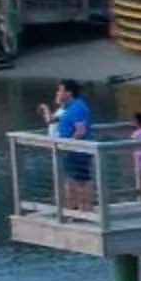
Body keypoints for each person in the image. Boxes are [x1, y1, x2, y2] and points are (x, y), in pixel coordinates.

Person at [38, 79, 95, 212]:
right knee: (70, 180)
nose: (58, 92)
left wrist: (68, 145)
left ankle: (86, 209)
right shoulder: (67, 107)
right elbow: (52, 120)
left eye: (60, 90)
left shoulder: (77, 107)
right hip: (68, 150)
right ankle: (72, 208)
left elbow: (80, 131)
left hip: (78, 150)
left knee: (81, 180)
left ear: (69, 92)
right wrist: (46, 109)